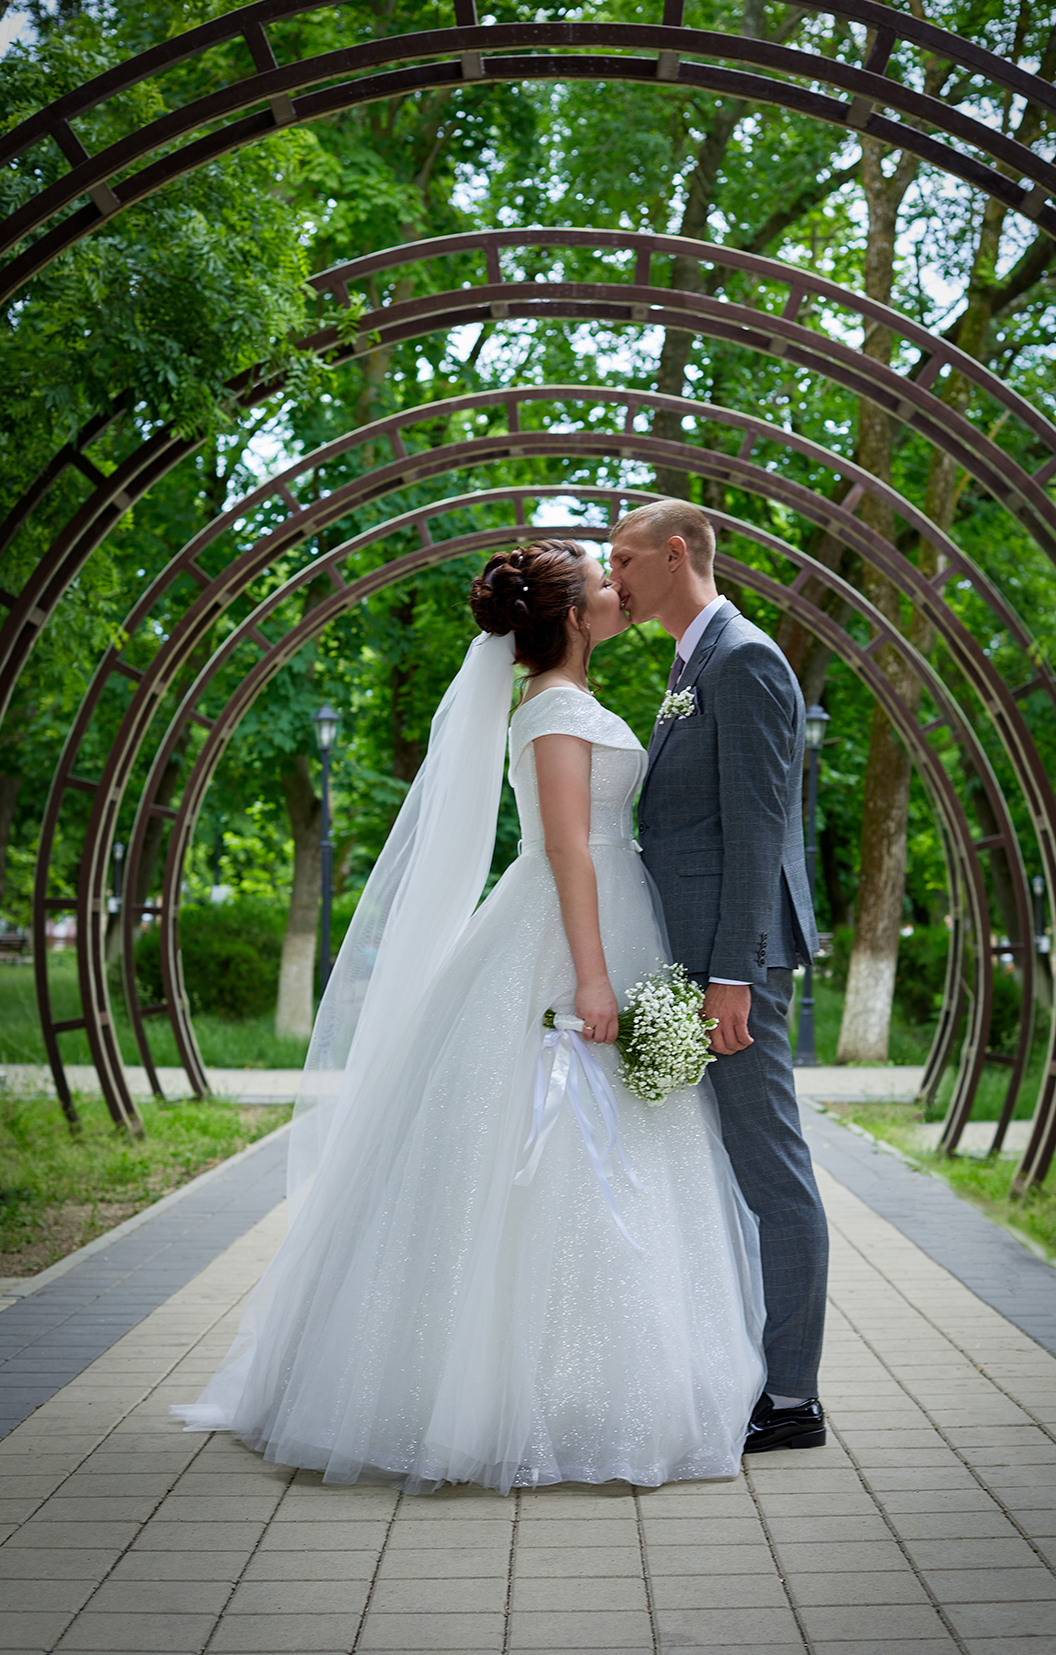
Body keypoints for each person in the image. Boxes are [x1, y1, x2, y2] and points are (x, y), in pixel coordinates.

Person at [172, 538, 765, 1493]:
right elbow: (570, 850)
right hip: (570, 933)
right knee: (551, 1151)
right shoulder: (558, 711)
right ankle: (495, 1394)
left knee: (618, 1153)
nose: (619, 592)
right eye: (603, 582)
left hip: (612, 917)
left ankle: (590, 1381)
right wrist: (592, 980)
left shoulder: (562, 702)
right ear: (573, 616)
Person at [608, 499, 830, 1453]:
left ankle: (790, 1401)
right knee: (693, 1158)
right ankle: (726, 1363)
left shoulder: (741, 661)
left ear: (672, 554)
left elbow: (757, 834)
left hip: (725, 969)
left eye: (622, 556)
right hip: (686, 958)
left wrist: (733, 978)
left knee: (769, 1169)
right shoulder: (693, 660)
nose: (611, 574)